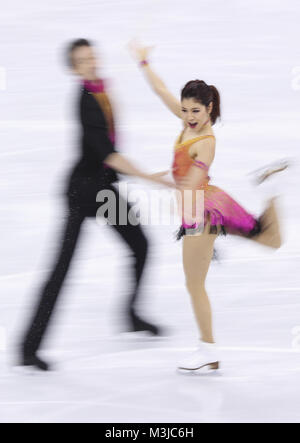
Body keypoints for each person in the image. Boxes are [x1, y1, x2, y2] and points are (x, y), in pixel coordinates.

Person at [19, 39, 174, 371]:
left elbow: (108, 154)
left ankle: (131, 314)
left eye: (92, 56)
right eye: (83, 60)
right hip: (83, 194)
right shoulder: (86, 101)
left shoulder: (101, 90)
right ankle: (28, 348)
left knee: (140, 244)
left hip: (103, 192)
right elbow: (108, 154)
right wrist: (152, 178)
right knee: (62, 269)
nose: (91, 62)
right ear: (74, 69)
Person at [129, 40, 283, 371]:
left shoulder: (206, 143)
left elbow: (187, 184)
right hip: (204, 204)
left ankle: (208, 349)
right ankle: (274, 189)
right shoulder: (187, 123)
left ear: (209, 108)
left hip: (202, 211)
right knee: (271, 240)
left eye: (196, 111)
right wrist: (144, 63)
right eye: (185, 110)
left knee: (194, 284)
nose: (188, 117)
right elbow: (161, 91)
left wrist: (144, 174)